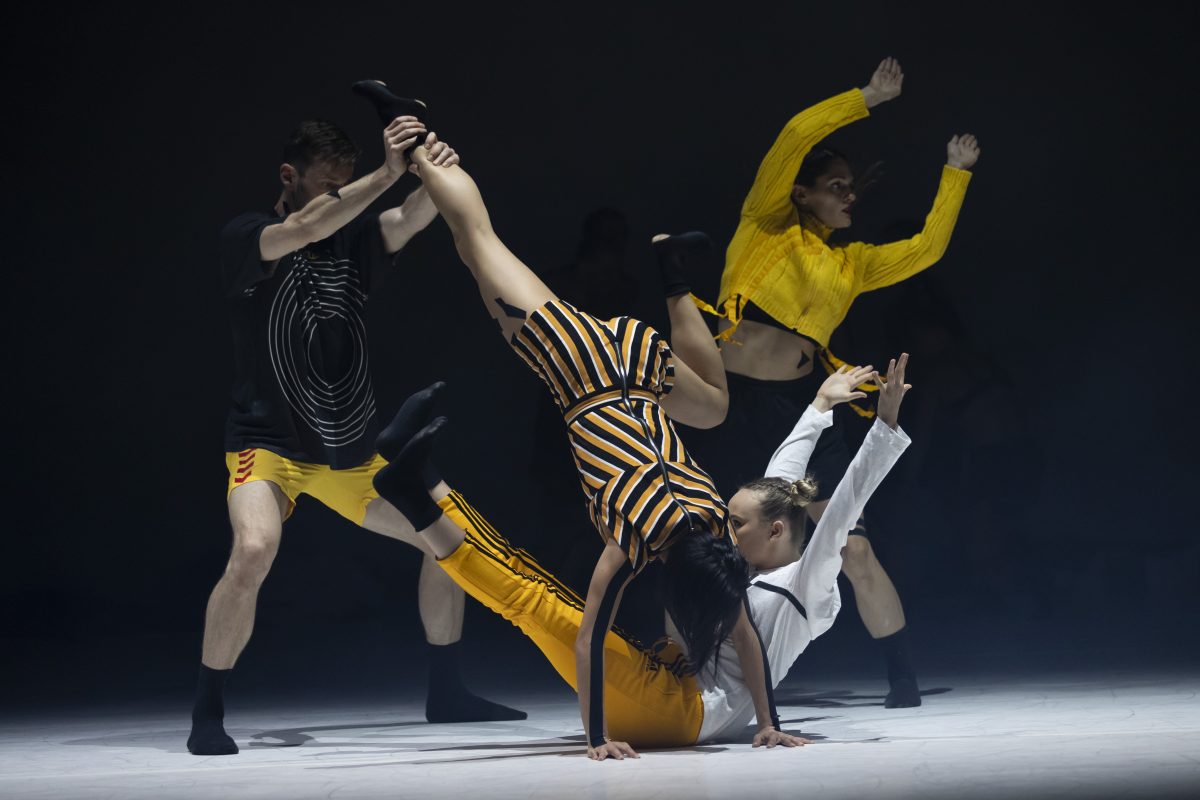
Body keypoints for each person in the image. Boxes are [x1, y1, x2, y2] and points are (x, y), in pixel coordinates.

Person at [354, 82, 785, 761]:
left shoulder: (710, 523)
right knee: (475, 238)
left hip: (638, 366)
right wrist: (597, 739)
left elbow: (741, 630)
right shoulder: (637, 540)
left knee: (713, 406)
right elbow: (589, 637)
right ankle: (408, 133)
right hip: (577, 365)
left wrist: (768, 719)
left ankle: (673, 275)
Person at [368, 353, 912, 756]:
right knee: (534, 586)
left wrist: (883, 431)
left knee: (533, 599)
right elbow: (779, 476)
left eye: (735, 521)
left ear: (773, 532)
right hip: (671, 679)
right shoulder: (742, 554)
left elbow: (841, 511)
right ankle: (421, 482)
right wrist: (818, 406)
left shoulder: (805, 585)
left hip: (689, 712)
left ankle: (420, 490)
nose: (722, 522)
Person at [189, 105, 521, 757]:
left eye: (349, 184)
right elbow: (312, 222)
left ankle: (446, 692)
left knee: (451, 541)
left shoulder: (348, 251)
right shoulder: (249, 238)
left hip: (348, 451)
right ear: (290, 177)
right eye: (329, 185)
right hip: (267, 445)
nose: (339, 202)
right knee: (253, 550)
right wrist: (385, 171)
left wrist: (431, 164)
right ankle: (208, 710)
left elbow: (409, 216)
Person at [688, 57, 980, 707]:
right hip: (727, 408)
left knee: (852, 549)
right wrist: (869, 98)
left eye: (852, 187)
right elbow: (794, 136)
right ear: (801, 191)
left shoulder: (850, 265)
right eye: (837, 184)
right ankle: (688, 681)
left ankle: (902, 677)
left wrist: (955, 175)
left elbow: (926, 249)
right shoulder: (766, 221)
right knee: (706, 551)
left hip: (800, 412)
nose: (850, 195)